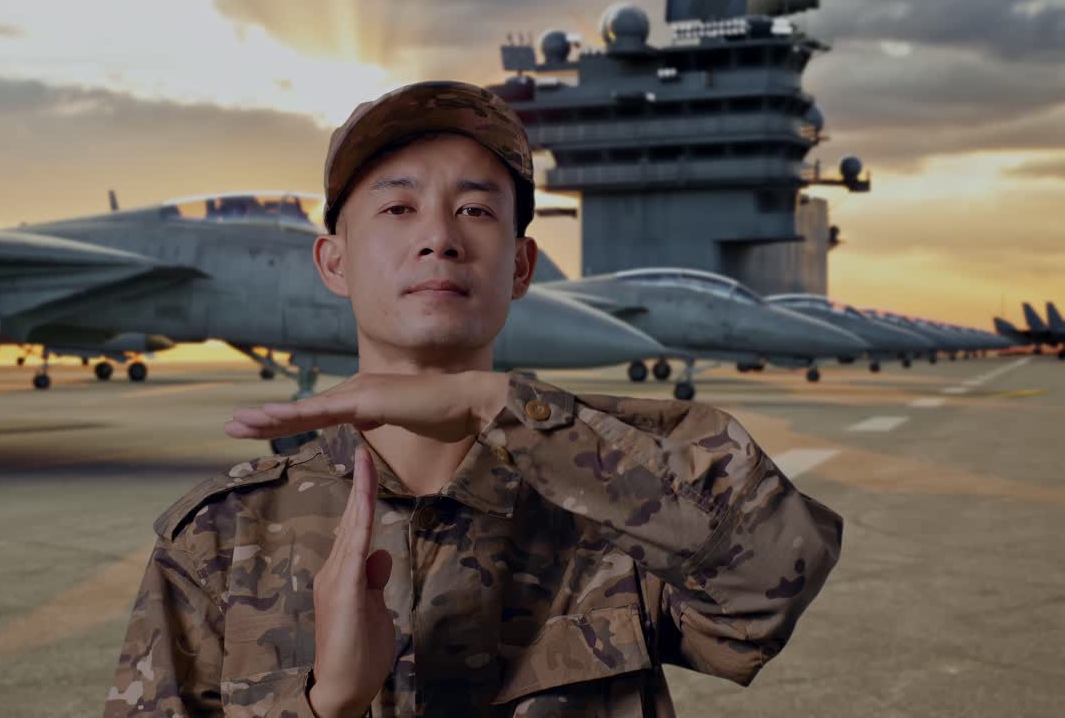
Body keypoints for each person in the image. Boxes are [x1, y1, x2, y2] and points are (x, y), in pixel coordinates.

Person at [104, 80, 843, 718]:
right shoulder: (218, 543)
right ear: (334, 262)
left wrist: (505, 409)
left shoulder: (610, 513)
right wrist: (326, 704)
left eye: (477, 211)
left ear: (521, 266)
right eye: (397, 209)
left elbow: (775, 579)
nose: (439, 238)